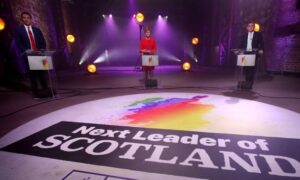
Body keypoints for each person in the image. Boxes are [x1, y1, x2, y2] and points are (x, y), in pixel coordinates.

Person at [15, 11, 48, 98]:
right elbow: (18, 43)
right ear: (22, 19)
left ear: (31, 19)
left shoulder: (37, 30)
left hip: (39, 55)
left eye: (27, 17)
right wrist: (26, 50)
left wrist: (42, 50)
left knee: (42, 74)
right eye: (24, 17)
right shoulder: (19, 31)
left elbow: (43, 42)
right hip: (28, 56)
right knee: (33, 75)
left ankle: (46, 92)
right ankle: (36, 93)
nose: (26, 19)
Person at [239, 22, 264, 89]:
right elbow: (241, 44)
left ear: (253, 28)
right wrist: (239, 50)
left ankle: (250, 83)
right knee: (246, 68)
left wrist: (261, 49)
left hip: (253, 53)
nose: (250, 27)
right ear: (247, 28)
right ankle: (247, 82)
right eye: (249, 26)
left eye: (252, 26)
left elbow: (261, 43)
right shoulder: (244, 35)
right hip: (245, 53)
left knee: (251, 69)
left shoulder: (258, 34)